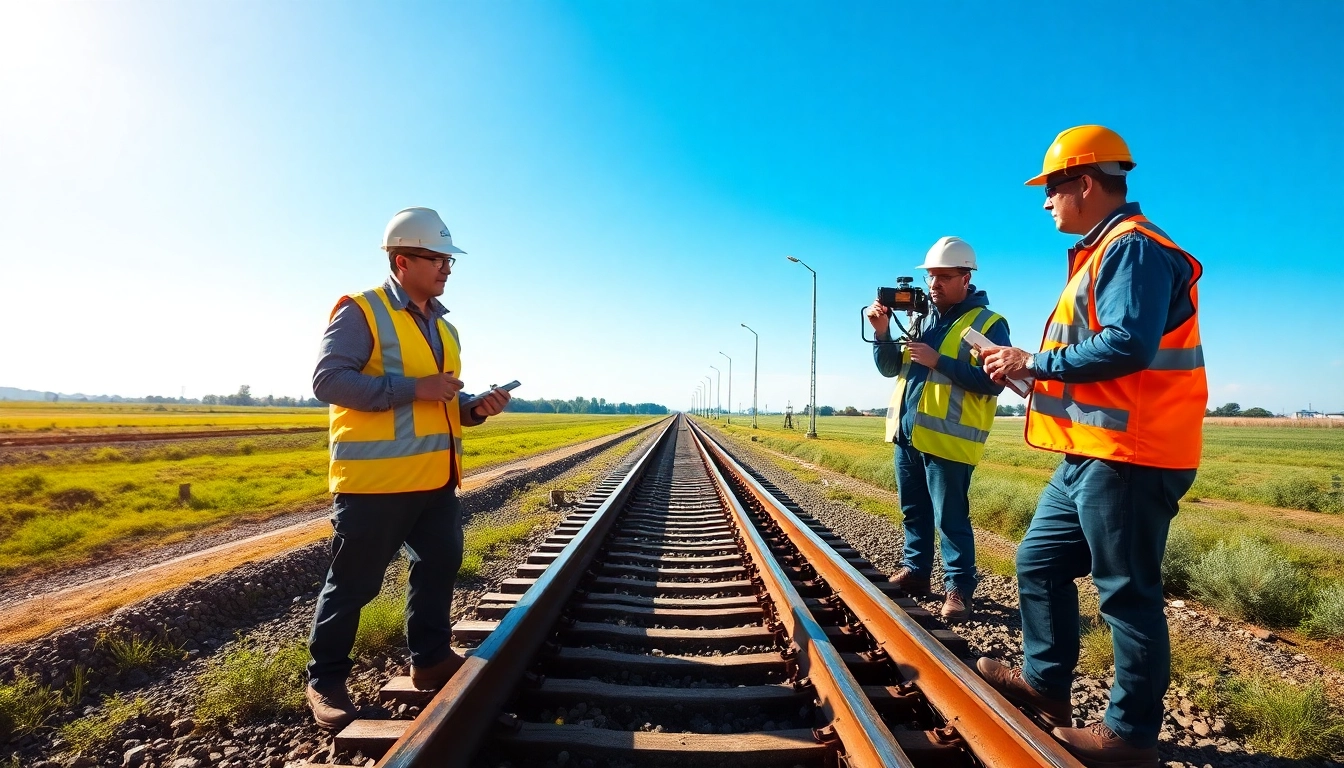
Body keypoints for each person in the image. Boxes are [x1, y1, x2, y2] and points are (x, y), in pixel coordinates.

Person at [978, 126, 1207, 767]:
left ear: (1083, 183)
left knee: (1126, 593)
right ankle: (1046, 686)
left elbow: (1128, 344)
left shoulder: (1132, 249)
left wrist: (1035, 359)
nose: (1046, 202)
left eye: (1052, 188)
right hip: (1089, 453)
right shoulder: (1101, 253)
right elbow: (1100, 355)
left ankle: (1131, 739)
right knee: (1038, 562)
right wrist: (1030, 374)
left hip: (1132, 456)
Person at [304, 207, 511, 730]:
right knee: (353, 585)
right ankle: (325, 681)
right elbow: (329, 382)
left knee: (440, 565)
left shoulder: (446, 327)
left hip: (435, 481)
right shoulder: (362, 311)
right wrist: (413, 389)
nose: (447, 267)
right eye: (436, 257)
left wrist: (473, 410)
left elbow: (437, 406)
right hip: (375, 484)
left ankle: (430, 660)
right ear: (402, 261)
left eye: (448, 259)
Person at [866, 237, 1010, 621]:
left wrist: (938, 361)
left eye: (944, 277)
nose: (934, 284)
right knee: (913, 511)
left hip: (950, 438)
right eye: (931, 277)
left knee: (950, 517)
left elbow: (994, 381)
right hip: (908, 433)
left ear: (966, 278)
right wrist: (881, 333)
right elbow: (890, 367)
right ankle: (916, 574)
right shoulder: (920, 318)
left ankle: (959, 588)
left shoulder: (989, 324)